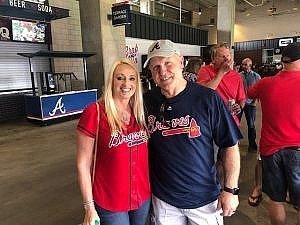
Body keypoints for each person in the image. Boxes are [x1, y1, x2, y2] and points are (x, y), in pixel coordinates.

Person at [143, 39, 242, 225]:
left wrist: (231, 189)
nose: (162, 71)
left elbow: (229, 144)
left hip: (204, 200)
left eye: (167, 63)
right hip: (164, 200)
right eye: (156, 67)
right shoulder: (146, 102)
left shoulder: (207, 99)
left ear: (181, 62)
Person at [76, 59, 151, 225]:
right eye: (120, 78)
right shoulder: (95, 113)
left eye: (132, 78)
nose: (126, 84)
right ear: (111, 81)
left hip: (142, 197)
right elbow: (83, 164)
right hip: (110, 201)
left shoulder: (140, 113)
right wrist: (89, 207)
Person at [248, 42, 300, 225]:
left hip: (270, 150)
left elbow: (249, 94)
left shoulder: (265, 83)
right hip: (297, 149)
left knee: (276, 199)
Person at [197, 42, 246, 126]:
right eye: (222, 56)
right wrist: (221, 72)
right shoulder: (205, 70)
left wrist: (239, 107)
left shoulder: (236, 76)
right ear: (213, 59)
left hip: (230, 122)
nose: (226, 59)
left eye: (228, 56)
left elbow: (242, 99)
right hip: (210, 122)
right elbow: (205, 92)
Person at [240, 57, 261, 152]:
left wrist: (254, 101)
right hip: (240, 103)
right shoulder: (238, 75)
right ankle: (234, 143)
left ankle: (252, 145)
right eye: (242, 64)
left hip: (251, 104)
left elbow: (260, 89)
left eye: (245, 64)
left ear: (250, 66)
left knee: (251, 125)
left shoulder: (256, 76)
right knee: (235, 123)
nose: (243, 66)